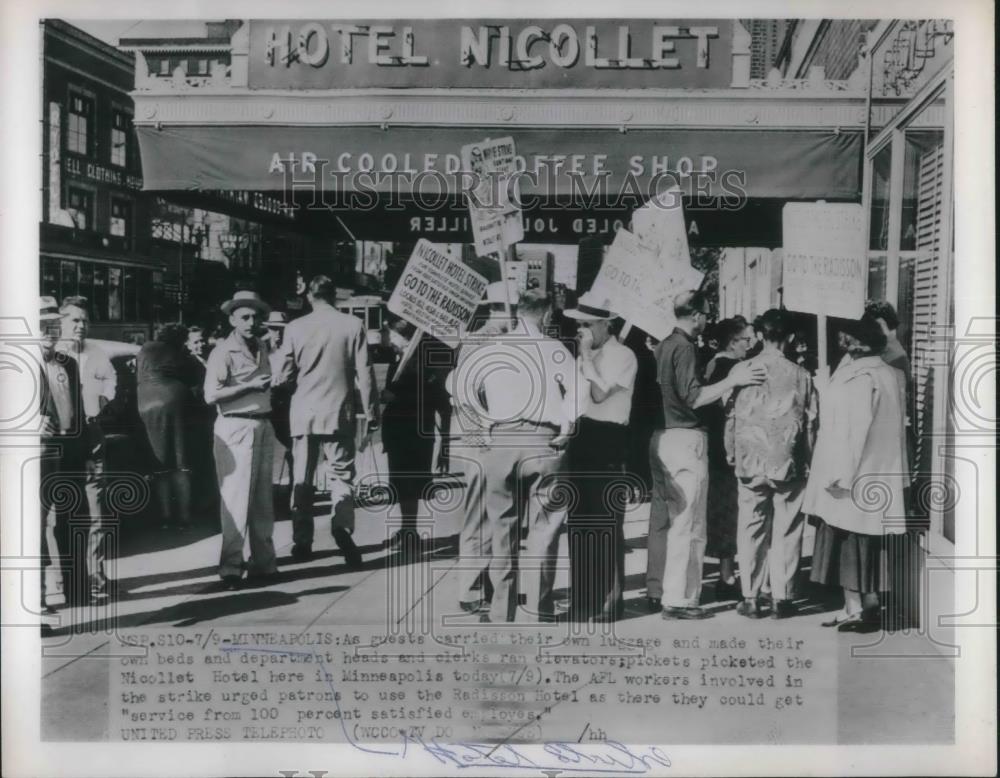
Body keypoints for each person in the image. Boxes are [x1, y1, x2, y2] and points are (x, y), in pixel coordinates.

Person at [456, 289, 581, 623]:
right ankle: (540, 608)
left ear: (518, 313)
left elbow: (462, 392)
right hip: (544, 442)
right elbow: (578, 394)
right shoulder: (555, 348)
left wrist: (483, 426)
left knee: (502, 530)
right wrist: (567, 427)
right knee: (545, 530)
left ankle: (501, 611)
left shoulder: (493, 348)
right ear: (546, 316)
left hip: (501, 441)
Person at [645, 291, 766, 620]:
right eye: (706, 314)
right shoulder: (684, 347)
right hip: (685, 437)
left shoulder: (665, 344)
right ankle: (681, 600)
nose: (708, 320)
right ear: (695, 314)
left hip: (663, 436)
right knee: (689, 524)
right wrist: (732, 380)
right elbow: (694, 397)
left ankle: (665, 591)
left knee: (671, 522)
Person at [803, 314, 908, 631]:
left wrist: (841, 478)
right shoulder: (890, 374)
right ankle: (871, 603)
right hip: (880, 472)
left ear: (855, 344)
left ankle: (855, 607)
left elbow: (853, 429)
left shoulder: (860, 378)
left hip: (854, 473)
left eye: (845, 339)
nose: (841, 343)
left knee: (849, 541)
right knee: (868, 543)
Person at [276, 276, 379, 567]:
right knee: (341, 475)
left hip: (303, 412)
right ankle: (341, 527)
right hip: (339, 412)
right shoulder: (352, 325)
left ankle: (302, 540)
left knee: (302, 477)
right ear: (335, 296)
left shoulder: (295, 328)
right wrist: (371, 413)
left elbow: (283, 374)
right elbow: (366, 374)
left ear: (309, 296)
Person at [726, 309, 818, 619]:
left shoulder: (743, 370)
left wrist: (731, 452)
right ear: (790, 338)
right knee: (788, 530)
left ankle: (750, 597)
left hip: (750, 460)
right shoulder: (802, 376)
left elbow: (731, 416)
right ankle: (783, 597)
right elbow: (810, 424)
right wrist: (809, 457)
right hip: (788, 461)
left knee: (750, 527)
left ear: (761, 335)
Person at [563, 292, 637, 623]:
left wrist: (587, 358)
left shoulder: (624, 356)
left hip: (609, 439)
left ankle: (610, 599)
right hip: (583, 436)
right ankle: (582, 599)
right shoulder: (582, 356)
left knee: (606, 522)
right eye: (579, 325)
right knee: (580, 522)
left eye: (588, 324)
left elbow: (600, 393)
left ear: (606, 324)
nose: (582, 331)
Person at [203, 291, 279, 589]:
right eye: (245, 317)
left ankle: (264, 563)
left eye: (256, 316)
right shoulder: (222, 351)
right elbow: (211, 395)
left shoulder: (261, 345)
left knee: (263, 499)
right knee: (236, 500)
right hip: (235, 426)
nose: (252, 321)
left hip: (261, 424)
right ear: (232, 319)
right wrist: (248, 387)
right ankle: (231, 567)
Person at [56, 296, 116, 603]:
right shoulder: (52, 354)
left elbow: (110, 381)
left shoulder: (97, 353)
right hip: (62, 437)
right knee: (63, 511)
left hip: (91, 433)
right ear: (61, 322)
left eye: (84, 320)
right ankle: (64, 578)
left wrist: (103, 402)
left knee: (96, 510)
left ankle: (95, 577)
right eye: (74, 320)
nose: (81, 326)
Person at [697, 318, 755, 601]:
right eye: (746, 339)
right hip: (728, 448)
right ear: (732, 342)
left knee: (720, 510)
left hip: (713, 446)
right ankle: (727, 576)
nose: (750, 344)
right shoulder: (734, 369)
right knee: (729, 512)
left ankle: (725, 573)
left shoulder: (710, 364)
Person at [381, 318, 449, 552]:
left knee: (409, 484)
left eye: (392, 335)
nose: (388, 339)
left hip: (413, 434)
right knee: (401, 484)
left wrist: (394, 398)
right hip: (398, 433)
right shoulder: (398, 361)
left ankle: (411, 531)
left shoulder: (423, 364)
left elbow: (438, 401)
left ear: (406, 339)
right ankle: (406, 528)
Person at [39, 296, 86, 616]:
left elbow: (77, 407)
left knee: (74, 517)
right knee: (35, 523)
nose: (50, 330)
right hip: (37, 452)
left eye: (54, 324)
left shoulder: (66, 361)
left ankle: (77, 587)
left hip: (68, 447)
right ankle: (40, 597)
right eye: (43, 324)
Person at [136, 323, 199, 531]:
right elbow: (195, 384)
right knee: (181, 464)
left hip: (144, 402)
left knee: (160, 467)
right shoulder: (181, 355)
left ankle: (164, 517)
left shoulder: (145, 349)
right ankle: (184, 518)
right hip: (175, 401)